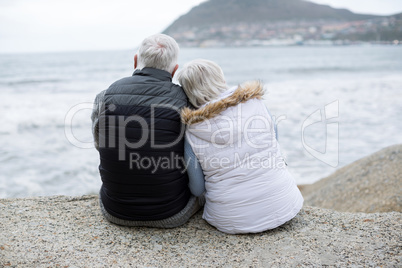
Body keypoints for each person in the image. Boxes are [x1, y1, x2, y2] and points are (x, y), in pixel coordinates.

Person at [178, 59, 303, 234]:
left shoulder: (192, 132)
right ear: (221, 80)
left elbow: (198, 188)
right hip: (286, 203)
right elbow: (275, 143)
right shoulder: (256, 103)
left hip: (229, 219)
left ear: (189, 93)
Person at [91, 34, 202, 228]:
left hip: (115, 210)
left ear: (135, 61)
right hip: (172, 212)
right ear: (174, 70)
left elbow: (99, 145)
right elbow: (195, 154)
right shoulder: (185, 100)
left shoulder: (105, 95)